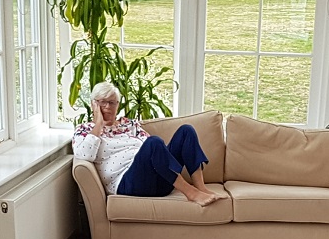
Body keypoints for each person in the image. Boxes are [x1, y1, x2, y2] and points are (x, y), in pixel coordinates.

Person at [71, 80, 222, 205]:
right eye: (103, 102)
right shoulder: (85, 130)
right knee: (154, 142)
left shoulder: (130, 125)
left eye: (112, 103)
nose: (108, 107)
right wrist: (98, 124)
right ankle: (191, 193)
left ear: (118, 105)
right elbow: (84, 155)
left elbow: (151, 149)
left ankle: (201, 188)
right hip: (128, 183)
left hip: (158, 181)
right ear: (93, 104)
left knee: (186, 131)